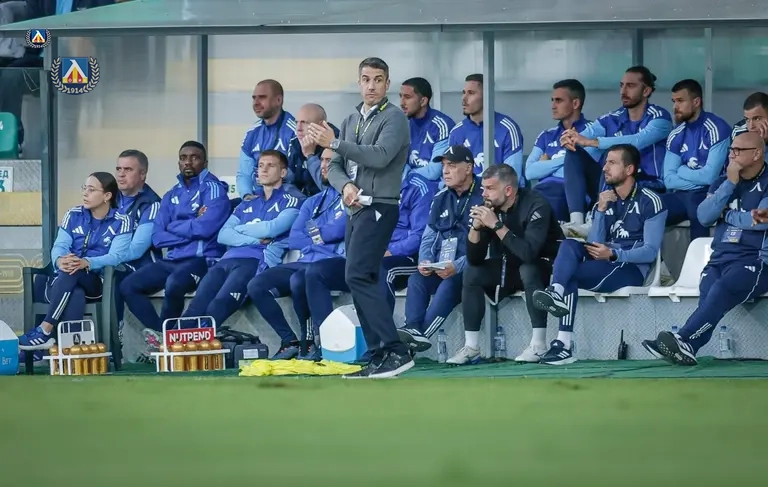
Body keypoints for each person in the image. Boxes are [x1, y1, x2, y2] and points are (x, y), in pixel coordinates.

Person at [307, 56, 413, 379]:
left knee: (356, 275)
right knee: (360, 277)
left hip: (380, 205)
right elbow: (334, 166)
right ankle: (380, 354)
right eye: (366, 79)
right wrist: (346, 186)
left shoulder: (395, 117)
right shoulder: (351, 118)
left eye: (378, 80)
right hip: (355, 207)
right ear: (358, 83)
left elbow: (380, 157)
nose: (371, 86)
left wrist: (335, 142)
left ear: (387, 84)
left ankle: (395, 350)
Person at [532, 144, 667, 365]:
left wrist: (614, 254)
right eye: (605, 163)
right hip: (604, 260)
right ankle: (556, 292)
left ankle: (563, 345)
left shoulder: (650, 200)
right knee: (569, 244)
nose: (605, 168)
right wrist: (601, 210)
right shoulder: (604, 199)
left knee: (572, 275)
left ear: (629, 169)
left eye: (612, 163)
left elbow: (650, 252)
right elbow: (594, 243)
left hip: (630, 267)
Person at [642, 133, 768, 365]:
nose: (732, 155)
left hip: (756, 261)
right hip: (720, 258)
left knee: (721, 288)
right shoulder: (723, 181)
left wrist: (726, 214)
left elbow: (760, 221)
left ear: (757, 153)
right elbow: (704, 216)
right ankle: (687, 346)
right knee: (709, 292)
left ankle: (683, 339)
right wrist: (730, 184)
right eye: (730, 149)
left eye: (738, 150)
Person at [446, 164, 563, 365]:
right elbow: (474, 258)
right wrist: (476, 228)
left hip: (546, 265)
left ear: (508, 190)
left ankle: (539, 344)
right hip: (510, 266)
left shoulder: (536, 204)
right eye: (483, 188)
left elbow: (529, 253)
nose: (484, 194)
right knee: (472, 272)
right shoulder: (490, 206)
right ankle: (471, 347)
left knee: (528, 269)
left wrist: (496, 225)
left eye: (490, 188)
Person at [120, 141, 230, 340]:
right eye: (183, 158)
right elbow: (157, 238)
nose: (188, 162)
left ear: (205, 162)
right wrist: (191, 224)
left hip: (202, 260)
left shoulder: (214, 189)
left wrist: (173, 226)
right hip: (173, 260)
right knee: (128, 286)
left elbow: (205, 229)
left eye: (194, 157)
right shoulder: (171, 195)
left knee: (174, 283)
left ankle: (167, 339)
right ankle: (162, 335)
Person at [181, 150, 303, 329]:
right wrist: (256, 239)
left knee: (219, 304)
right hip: (227, 260)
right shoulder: (246, 203)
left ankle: (199, 341)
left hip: (255, 260)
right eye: (260, 166)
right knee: (197, 304)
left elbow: (272, 228)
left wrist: (238, 230)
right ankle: (172, 342)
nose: (263, 170)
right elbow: (223, 235)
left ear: (283, 172)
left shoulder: (291, 201)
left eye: (270, 165)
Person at [247, 149, 347, 361]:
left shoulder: (350, 197)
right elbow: (295, 239)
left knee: (300, 279)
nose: (323, 166)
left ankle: (319, 342)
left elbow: (338, 230)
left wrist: (314, 233)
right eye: (322, 160)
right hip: (305, 261)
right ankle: (289, 341)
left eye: (329, 161)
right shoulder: (313, 201)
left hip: (334, 262)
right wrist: (320, 236)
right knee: (256, 284)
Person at [18, 172, 132, 350]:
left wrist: (87, 262)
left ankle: (45, 329)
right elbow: (60, 245)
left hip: (97, 282)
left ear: (107, 196)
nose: (85, 193)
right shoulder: (73, 215)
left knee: (74, 269)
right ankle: (69, 351)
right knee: (75, 291)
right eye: (84, 188)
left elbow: (116, 256)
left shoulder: (122, 220)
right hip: (69, 278)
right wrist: (59, 260)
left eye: (91, 189)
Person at [397, 145, 484, 352]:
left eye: (451, 166)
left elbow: (486, 246)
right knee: (416, 280)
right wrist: (425, 260)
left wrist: (457, 266)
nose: (445, 171)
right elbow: (428, 237)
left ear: (469, 168)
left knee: (450, 284)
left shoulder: (484, 195)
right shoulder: (441, 197)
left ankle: (415, 342)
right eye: (444, 166)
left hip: (471, 266)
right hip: (442, 265)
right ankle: (412, 330)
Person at [560, 66, 673, 225]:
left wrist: (593, 142)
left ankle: (596, 220)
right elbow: (587, 133)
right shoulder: (612, 117)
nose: (623, 91)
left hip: (648, 185)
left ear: (646, 91)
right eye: (621, 85)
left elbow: (637, 141)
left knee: (614, 160)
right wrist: (570, 138)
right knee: (575, 153)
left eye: (630, 86)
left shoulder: (660, 118)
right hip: (612, 183)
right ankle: (577, 223)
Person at [662, 79, 731, 240]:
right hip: (680, 195)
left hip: (708, 193)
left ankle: (701, 257)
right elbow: (669, 180)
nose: (675, 106)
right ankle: (647, 256)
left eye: (680, 101)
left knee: (698, 210)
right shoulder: (676, 134)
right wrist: (696, 179)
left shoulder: (716, 128)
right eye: (673, 101)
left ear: (696, 102)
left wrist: (682, 170)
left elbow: (710, 177)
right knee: (650, 208)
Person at [113, 149, 162, 350]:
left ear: (142, 174)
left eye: (128, 169)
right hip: (112, 263)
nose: (121, 174)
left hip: (144, 266)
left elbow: (136, 250)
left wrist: (101, 259)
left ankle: (114, 337)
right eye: (118, 169)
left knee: (114, 276)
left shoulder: (152, 203)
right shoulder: (109, 198)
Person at [525, 79, 591, 222]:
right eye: (552, 100)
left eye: (559, 101)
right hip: (542, 192)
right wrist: (566, 161)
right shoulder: (546, 135)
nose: (553, 106)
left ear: (575, 103)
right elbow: (530, 172)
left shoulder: (591, 133)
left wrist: (545, 165)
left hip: (570, 195)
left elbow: (587, 169)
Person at [448, 74, 525, 185]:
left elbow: (512, 177)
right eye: (463, 92)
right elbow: (451, 174)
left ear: (487, 96)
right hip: (467, 192)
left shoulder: (508, 129)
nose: (464, 98)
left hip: (499, 192)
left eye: (471, 93)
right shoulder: (456, 132)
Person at [380, 171, 437, 313]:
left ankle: (382, 325)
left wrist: (391, 251)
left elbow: (419, 235)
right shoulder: (371, 184)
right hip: (379, 251)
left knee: (380, 269)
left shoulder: (418, 187)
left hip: (409, 257)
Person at [237, 79, 297, 199]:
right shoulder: (252, 133)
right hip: (257, 197)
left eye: (262, 97)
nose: (256, 103)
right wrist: (247, 195)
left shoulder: (295, 131)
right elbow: (244, 174)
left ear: (278, 100)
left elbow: (295, 175)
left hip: (286, 198)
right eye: (254, 98)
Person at [399, 77, 455, 181]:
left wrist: (408, 174)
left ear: (423, 101)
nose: (402, 103)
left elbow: (433, 172)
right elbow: (399, 166)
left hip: (433, 186)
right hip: (408, 184)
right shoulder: (403, 125)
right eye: (401, 96)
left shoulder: (441, 125)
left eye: (407, 97)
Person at [287, 103, 338, 196]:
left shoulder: (335, 145)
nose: (298, 129)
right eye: (296, 122)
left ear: (321, 126)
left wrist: (310, 156)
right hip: (303, 200)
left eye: (304, 123)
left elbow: (329, 190)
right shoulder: (295, 143)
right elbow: (288, 180)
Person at [730, 92, 768, 161]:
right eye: (747, 119)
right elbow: (735, 165)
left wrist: (763, 145)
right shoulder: (739, 131)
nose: (751, 126)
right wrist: (758, 144)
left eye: (757, 118)